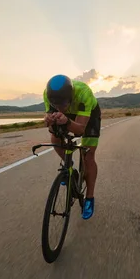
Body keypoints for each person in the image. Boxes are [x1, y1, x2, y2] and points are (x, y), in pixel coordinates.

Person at [43, 74, 101, 220]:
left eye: (62, 105)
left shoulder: (83, 93)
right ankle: (69, 167)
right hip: (70, 114)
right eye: (56, 106)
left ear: (70, 97)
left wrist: (67, 121)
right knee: (55, 138)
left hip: (89, 116)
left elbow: (81, 130)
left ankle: (89, 198)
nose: (59, 109)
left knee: (88, 156)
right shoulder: (47, 94)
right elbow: (52, 131)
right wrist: (50, 122)